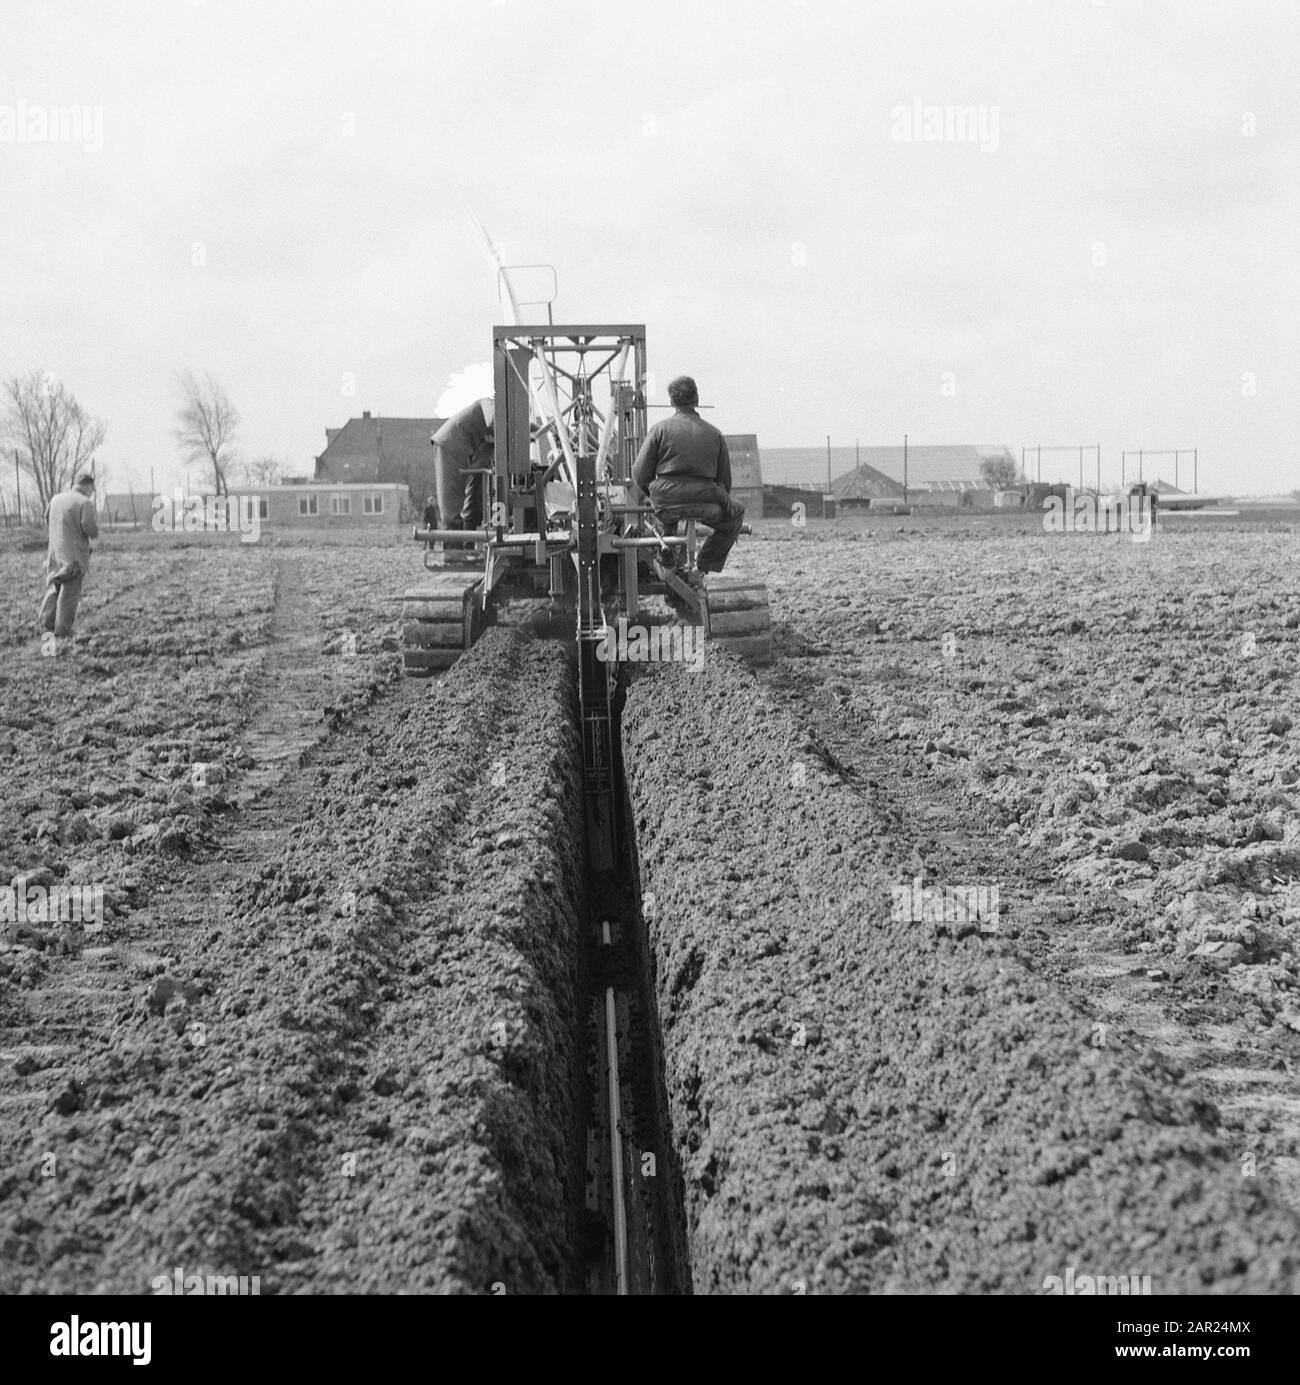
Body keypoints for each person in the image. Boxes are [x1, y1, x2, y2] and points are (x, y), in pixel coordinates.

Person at [631, 375, 744, 578]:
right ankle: (702, 566)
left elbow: (639, 473)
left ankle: (666, 551)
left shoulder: (659, 430)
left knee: (663, 519)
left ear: (672, 402)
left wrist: (653, 495)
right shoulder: (715, 434)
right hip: (705, 501)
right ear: (697, 399)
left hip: (666, 500)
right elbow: (725, 482)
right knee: (736, 514)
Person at [39, 473, 99, 643]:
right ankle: (63, 629)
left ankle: (46, 621)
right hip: (74, 556)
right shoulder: (84, 502)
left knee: (55, 586)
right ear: (87, 486)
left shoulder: (56, 499)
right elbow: (89, 527)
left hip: (54, 553)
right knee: (70, 591)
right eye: (92, 490)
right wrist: (94, 537)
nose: (92, 493)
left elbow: (46, 519)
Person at [431, 398, 494, 536]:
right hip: (451, 445)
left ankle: (468, 543)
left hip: (472, 453)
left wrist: (534, 430)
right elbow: (493, 420)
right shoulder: (489, 402)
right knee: (451, 509)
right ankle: (453, 552)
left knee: (473, 503)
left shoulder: (490, 441)